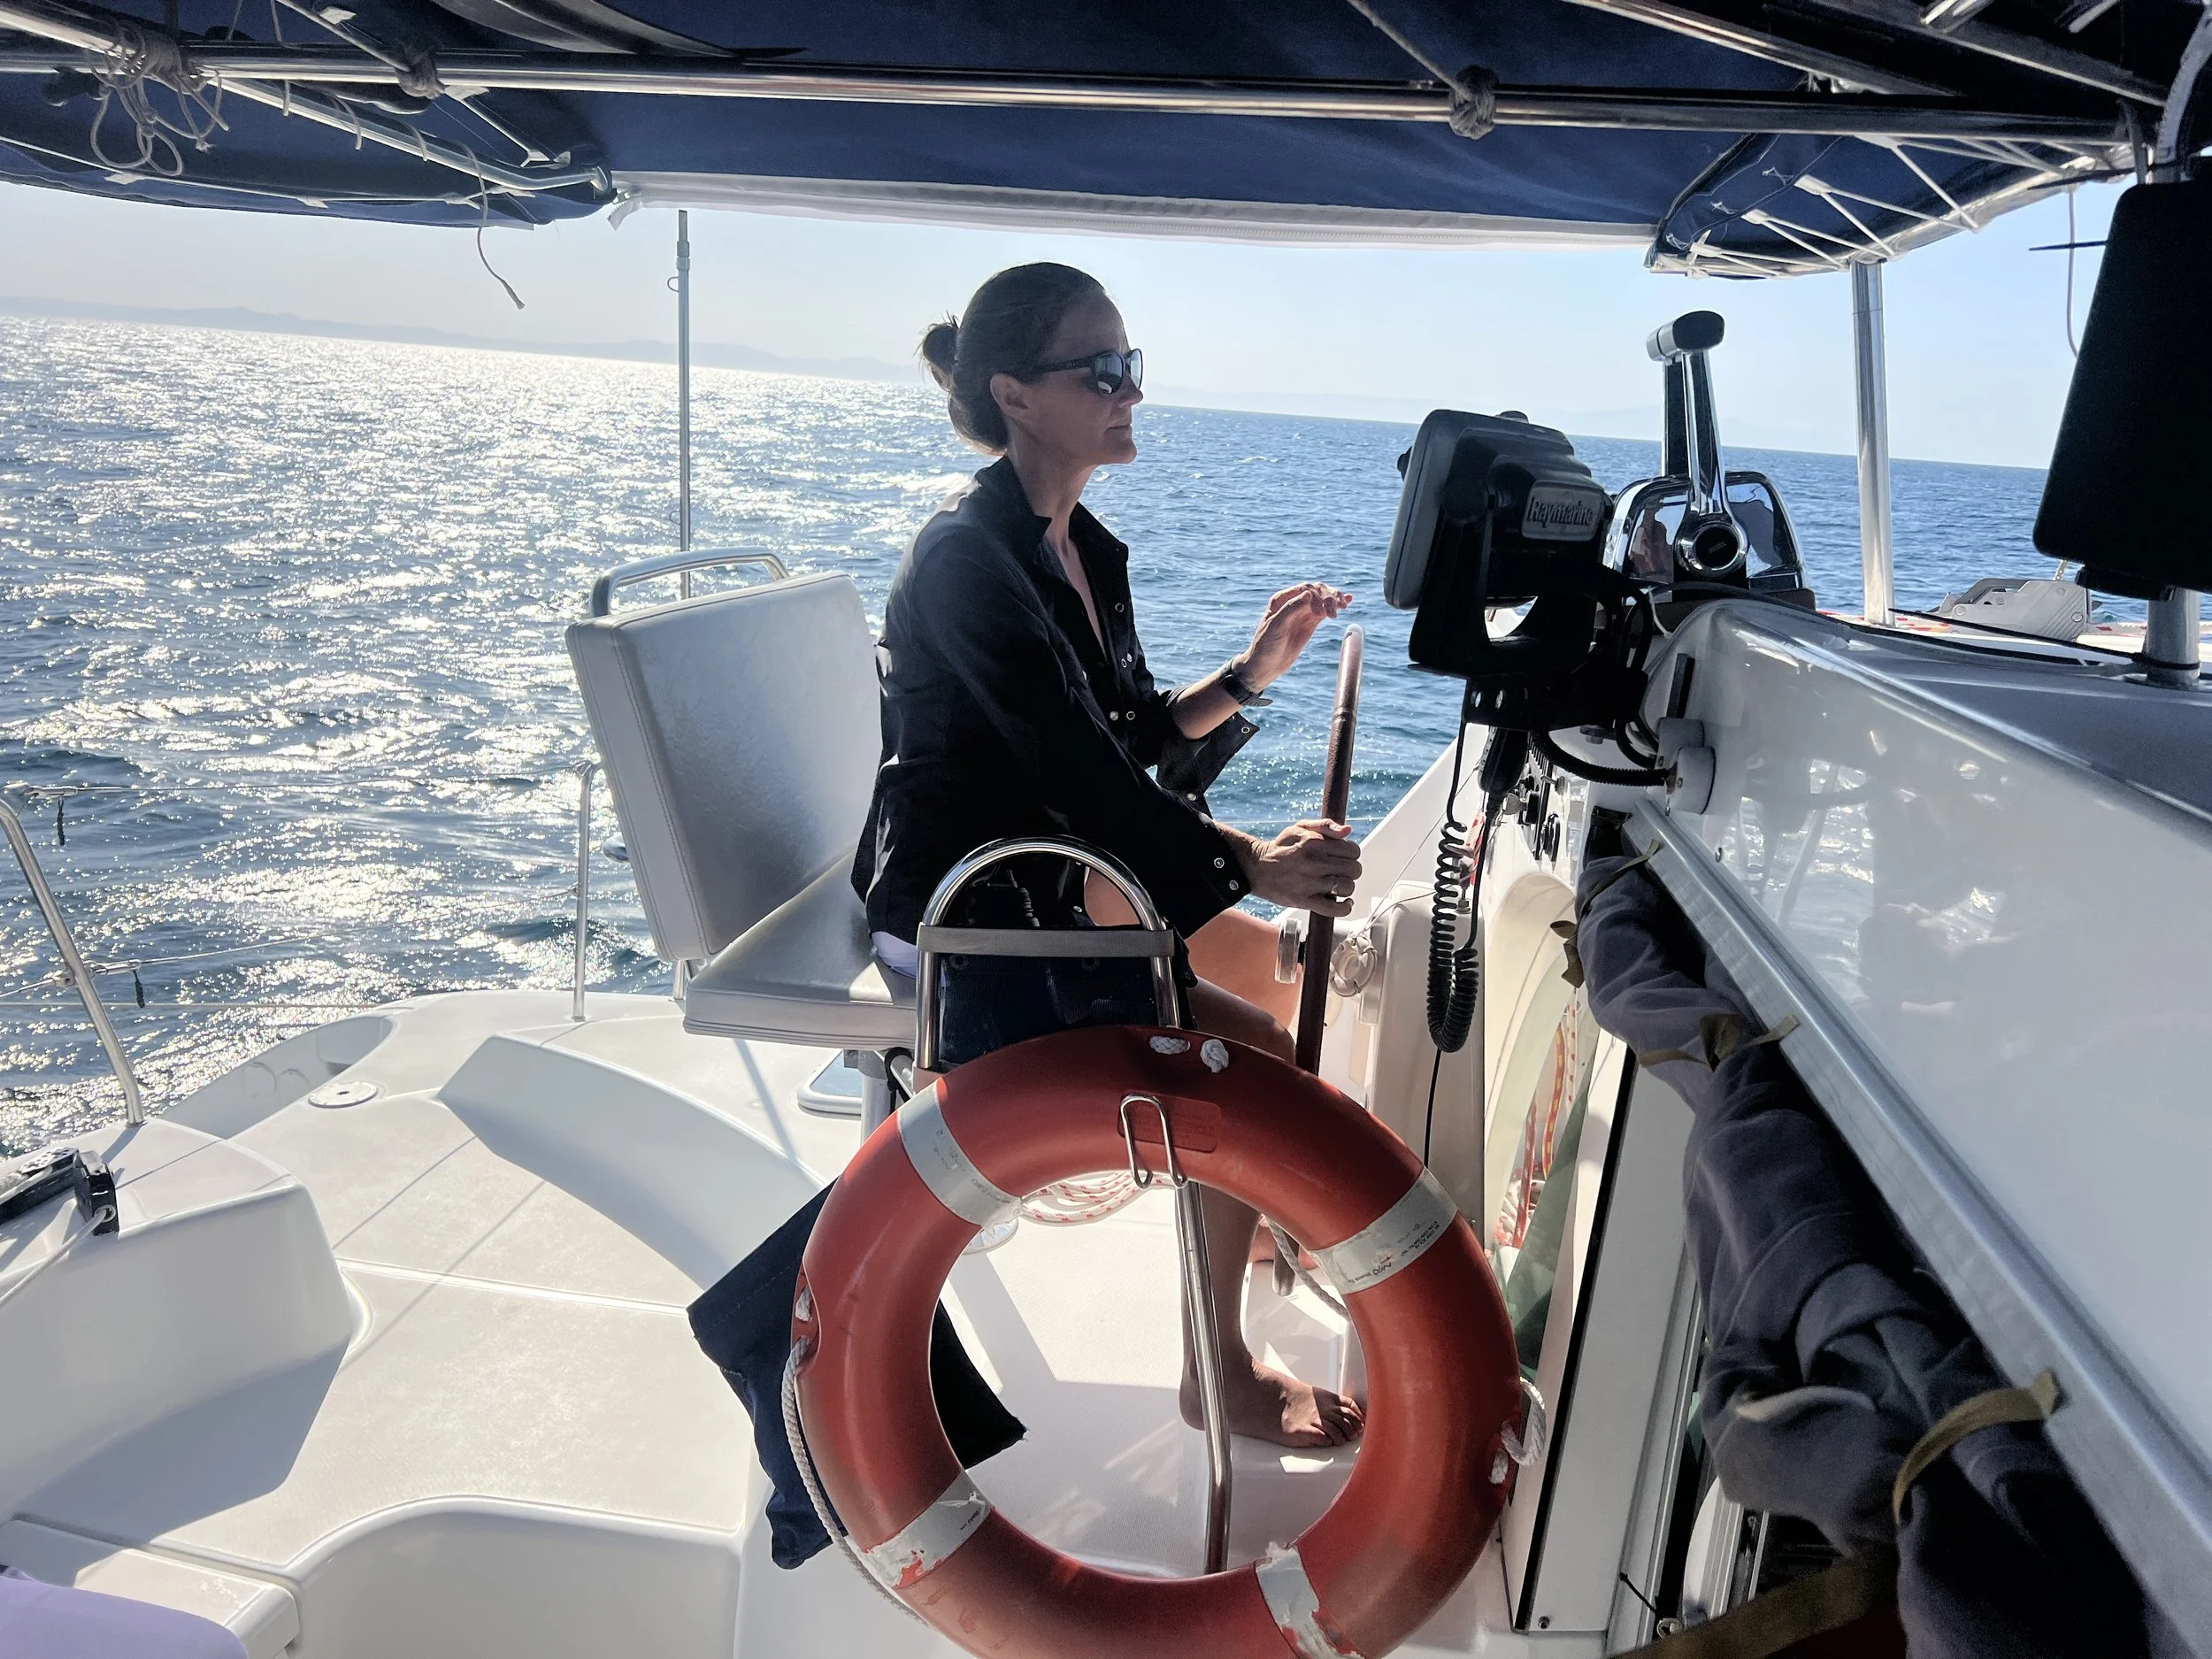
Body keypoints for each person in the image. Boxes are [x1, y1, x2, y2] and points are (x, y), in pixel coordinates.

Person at [853, 262, 1363, 1448]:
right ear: (1017, 394)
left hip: (1045, 875)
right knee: (1252, 1052)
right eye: (1104, 370)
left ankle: (1253, 1214)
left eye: (1133, 367)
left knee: (1273, 961)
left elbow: (1124, 739)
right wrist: (1252, 859)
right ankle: (1216, 1371)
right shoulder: (967, 561)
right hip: (965, 919)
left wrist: (1247, 678)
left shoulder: (1082, 545)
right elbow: (1081, 777)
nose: (1130, 391)